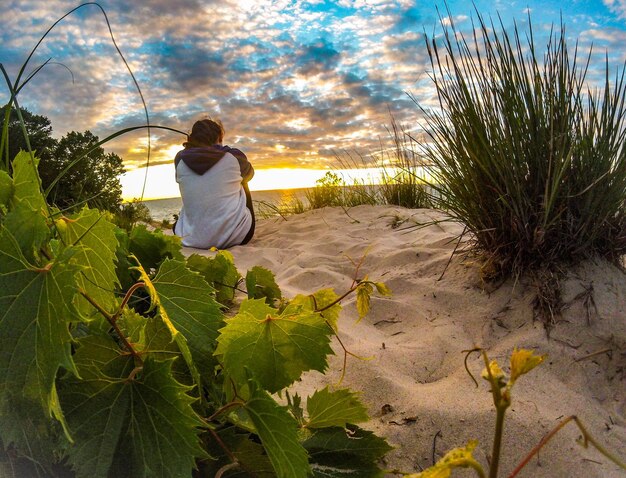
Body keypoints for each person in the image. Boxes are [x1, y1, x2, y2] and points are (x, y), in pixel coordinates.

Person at [173, 118, 255, 248]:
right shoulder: (234, 156)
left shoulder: (179, 159)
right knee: (243, 180)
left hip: (190, 240)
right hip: (237, 237)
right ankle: (234, 225)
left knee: (196, 186)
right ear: (219, 138)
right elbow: (250, 174)